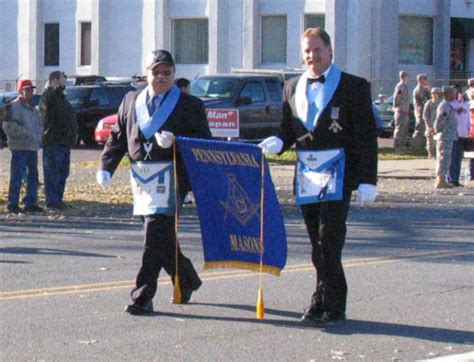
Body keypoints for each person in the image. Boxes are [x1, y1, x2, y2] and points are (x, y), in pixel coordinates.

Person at [259, 28, 377, 324]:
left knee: (329, 239)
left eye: (317, 50)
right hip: (308, 175)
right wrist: (278, 141)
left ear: (330, 51)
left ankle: (329, 303)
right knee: (316, 242)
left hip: (339, 174)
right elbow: (289, 128)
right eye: (307, 51)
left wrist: (368, 179)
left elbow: (365, 137)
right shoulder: (292, 86)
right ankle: (325, 298)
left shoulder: (354, 86)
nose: (312, 56)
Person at [96, 49, 211, 315]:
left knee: (154, 233)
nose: (161, 76)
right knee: (161, 237)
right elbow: (117, 137)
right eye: (156, 71)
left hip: (172, 179)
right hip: (141, 179)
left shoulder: (189, 105)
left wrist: (177, 142)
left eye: (166, 72)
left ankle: (142, 296)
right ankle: (187, 278)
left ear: (174, 75)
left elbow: (204, 142)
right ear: (147, 73)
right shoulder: (130, 100)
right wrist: (106, 166)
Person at [2, 79, 43, 214]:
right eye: (27, 90)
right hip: (19, 147)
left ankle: (30, 202)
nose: (30, 92)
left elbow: (39, 124)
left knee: (33, 176)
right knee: (17, 176)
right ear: (20, 91)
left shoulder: (32, 108)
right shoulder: (13, 107)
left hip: (32, 146)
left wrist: (38, 136)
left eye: (31, 90)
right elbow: (8, 126)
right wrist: (27, 134)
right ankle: (12, 203)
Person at [39, 71, 77, 210]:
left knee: (63, 173)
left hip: (64, 143)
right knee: (52, 174)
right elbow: (48, 101)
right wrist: (56, 88)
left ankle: (58, 199)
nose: (64, 83)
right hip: (53, 142)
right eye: (62, 80)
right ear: (54, 80)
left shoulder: (63, 100)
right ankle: (51, 201)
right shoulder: (47, 96)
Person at [433, 86, 457, 189]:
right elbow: (439, 120)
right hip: (445, 136)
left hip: (448, 136)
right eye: (453, 93)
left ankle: (441, 179)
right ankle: (440, 179)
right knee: (443, 158)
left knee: (446, 158)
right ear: (448, 94)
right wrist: (439, 131)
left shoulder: (447, 105)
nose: (455, 95)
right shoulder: (445, 106)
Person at [448, 86, 471, 186]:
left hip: (463, 134)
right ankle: (451, 179)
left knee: (459, 157)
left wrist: (468, 130)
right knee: (452, 157)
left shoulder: (466, 104)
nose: (459, 96)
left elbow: (468, 118)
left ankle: (456, 179)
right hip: (454, 134)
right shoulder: (450, 104)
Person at [392, 70, 411, 153]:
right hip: (400, 110)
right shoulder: (400, 86)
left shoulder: (405, 86)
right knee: (399, 129)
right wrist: (396, 107)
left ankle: (402, 147)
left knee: (404, 130)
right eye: (407, 76)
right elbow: (396, 97)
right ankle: (397, 148)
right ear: (403, 77)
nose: (409, 78)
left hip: (405, 110)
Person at [411, 74, 431, 148]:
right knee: (419, 129)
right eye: (425, 79)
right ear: (421, 80)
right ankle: (415, 146)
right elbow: (425, 101)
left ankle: (420, 146)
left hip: (423, 111)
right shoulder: (419, 89)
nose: (426, 81)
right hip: (420, 111)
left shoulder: (423, 89)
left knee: (422, 129)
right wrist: (429, 93)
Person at [422, 87, 442, 159]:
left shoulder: (441, 103)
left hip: (439, 125)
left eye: (435, 93)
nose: (433, 95)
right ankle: (431, 155)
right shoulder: (429, 103)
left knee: (439, 141)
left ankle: (439, 154)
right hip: (430, 124)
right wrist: (428, 125)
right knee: (430, 141)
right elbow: (425, 115)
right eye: (432, 93)